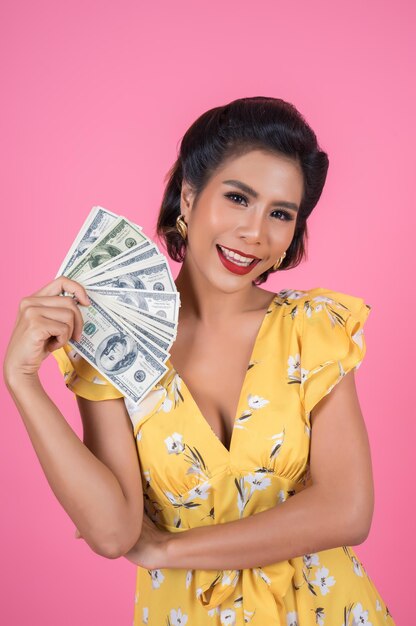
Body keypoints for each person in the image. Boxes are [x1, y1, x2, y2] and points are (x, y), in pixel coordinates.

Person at [3, 96, 396, 626]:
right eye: (238, 198)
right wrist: (22, 381)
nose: (255, 232)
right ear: (188, 197)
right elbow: (114, 531)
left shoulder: (312, 328)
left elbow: (347, 511)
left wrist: (167, 551)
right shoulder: (112, 341)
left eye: (280, 214)